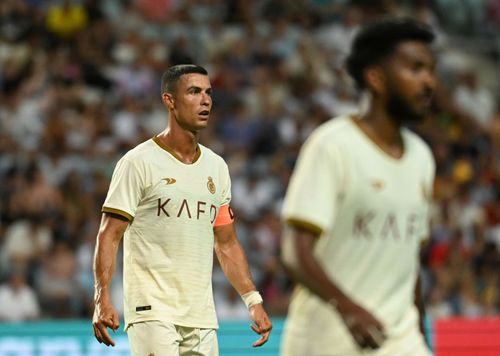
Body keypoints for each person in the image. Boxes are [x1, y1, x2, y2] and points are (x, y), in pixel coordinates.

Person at [280, 18, 437, 356]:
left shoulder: (422, 157)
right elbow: (296, 252)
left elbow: (410, 261)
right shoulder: (333, 146)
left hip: (400, 340)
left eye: (430, 70)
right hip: (327, 340)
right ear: (376, 78)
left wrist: (421, 332)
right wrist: (349, 309)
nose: (429, 82)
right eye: (415, 69)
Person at [92, 64, 272, 355]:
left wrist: (253, 300)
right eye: (194, 92)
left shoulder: (217, 167)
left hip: (201, 315)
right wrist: (102, 298)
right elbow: (109, 234)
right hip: (152, 310)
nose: (205, 100)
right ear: (169, 101)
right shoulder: (138, 162)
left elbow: (226, 242)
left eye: (208, 93)